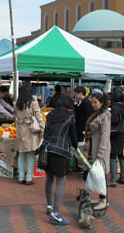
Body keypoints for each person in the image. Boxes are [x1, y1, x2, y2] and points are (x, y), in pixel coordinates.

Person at [43, 95, 78, 225]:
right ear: (69, 105)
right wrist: (75, 146)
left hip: (47, 149)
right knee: (61, 180)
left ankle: (49, 206)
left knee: (49, 179)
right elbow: (73, 136)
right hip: (60, 151)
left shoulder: (50, 115)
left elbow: (46, 132)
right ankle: (55, 214)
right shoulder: (70, 117)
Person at [15, 82, 45, 185]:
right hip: (31, 130)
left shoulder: (17, 103)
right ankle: (28, 178)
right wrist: (43, 129)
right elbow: (39, 117)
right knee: (31, 154)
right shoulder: (33, 103)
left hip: (20, 129)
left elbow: (15, 116)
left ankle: (20, 177)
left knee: (21, 153)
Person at [85, 92, 111, 211]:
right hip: (95, 146)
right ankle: (101, 198)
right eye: (92, 102)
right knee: (98, 174)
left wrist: (101, 153)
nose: (93, 104)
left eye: (95, 102)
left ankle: (104, 200)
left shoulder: (105, 115)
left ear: (101, 102)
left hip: (102, 148)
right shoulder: (97, 113)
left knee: (102, 174)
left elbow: (105, 135)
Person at [108, 89, 124, 187]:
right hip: (122, 133)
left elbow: (111, 121)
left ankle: (113, 179)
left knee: (112, 155)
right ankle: (123, 177)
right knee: (120, 155)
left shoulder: (115, 107)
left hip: (115, 134)